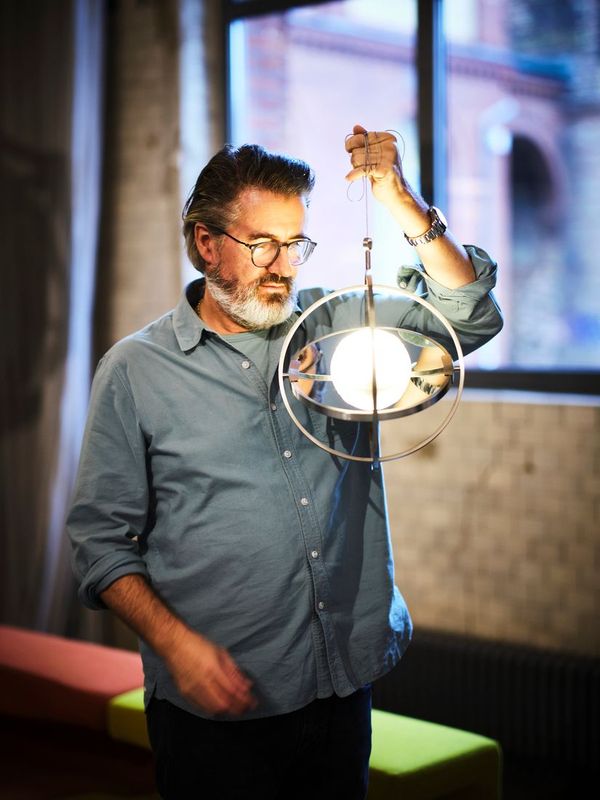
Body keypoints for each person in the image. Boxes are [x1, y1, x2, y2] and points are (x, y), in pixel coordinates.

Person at [67, 124, 503, 799]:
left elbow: (469, 315)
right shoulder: (135, 371)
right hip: (215, 710)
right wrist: (177, 645)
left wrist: (400, 199)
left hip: (340, 687)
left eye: (295, 243)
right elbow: (99, 543)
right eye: (262, 244)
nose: (283, 265)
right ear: (206, 243)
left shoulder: (337, 325)